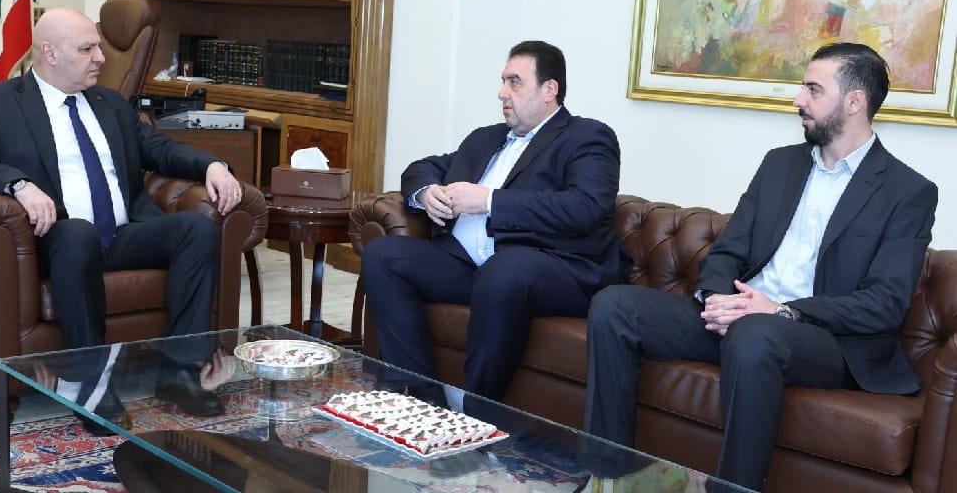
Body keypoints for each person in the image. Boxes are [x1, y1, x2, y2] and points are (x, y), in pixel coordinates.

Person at [582, 42, 938, 490]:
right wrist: (718, 299)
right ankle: (608, 475)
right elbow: (728, 251)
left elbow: (884, 303)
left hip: (825, 339)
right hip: (743, 316)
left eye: (813, 90)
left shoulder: (907, 192)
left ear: (854, 102)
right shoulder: (780, 164)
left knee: (755, 334)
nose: (798, 100)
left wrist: (781, 311)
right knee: (615, 306)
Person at [0, 7, 244, 422]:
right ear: (50, 53)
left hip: (121, 235)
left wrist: (212, 166)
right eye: (86, 49)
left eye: (98, 46)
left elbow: (159, 149)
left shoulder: (108, 102)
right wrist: (18, 185)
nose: (100, 57)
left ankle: (180, 369)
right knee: (77, 233)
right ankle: (90, 381)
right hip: (57, 239)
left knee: (196, 228)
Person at [361, 40, 631, 405]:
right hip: (468, 266)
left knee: (504, 269)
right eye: (503, 81)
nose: (502, 92)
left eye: (515, 82)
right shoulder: (485, 139)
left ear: (549, 89)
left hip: (553, 270)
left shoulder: (587, 137)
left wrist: (488, 200)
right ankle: (420, 400)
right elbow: (423, 168)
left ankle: (477, 413)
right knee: (383, 255)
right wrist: (425, 193)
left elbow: (586, 207)